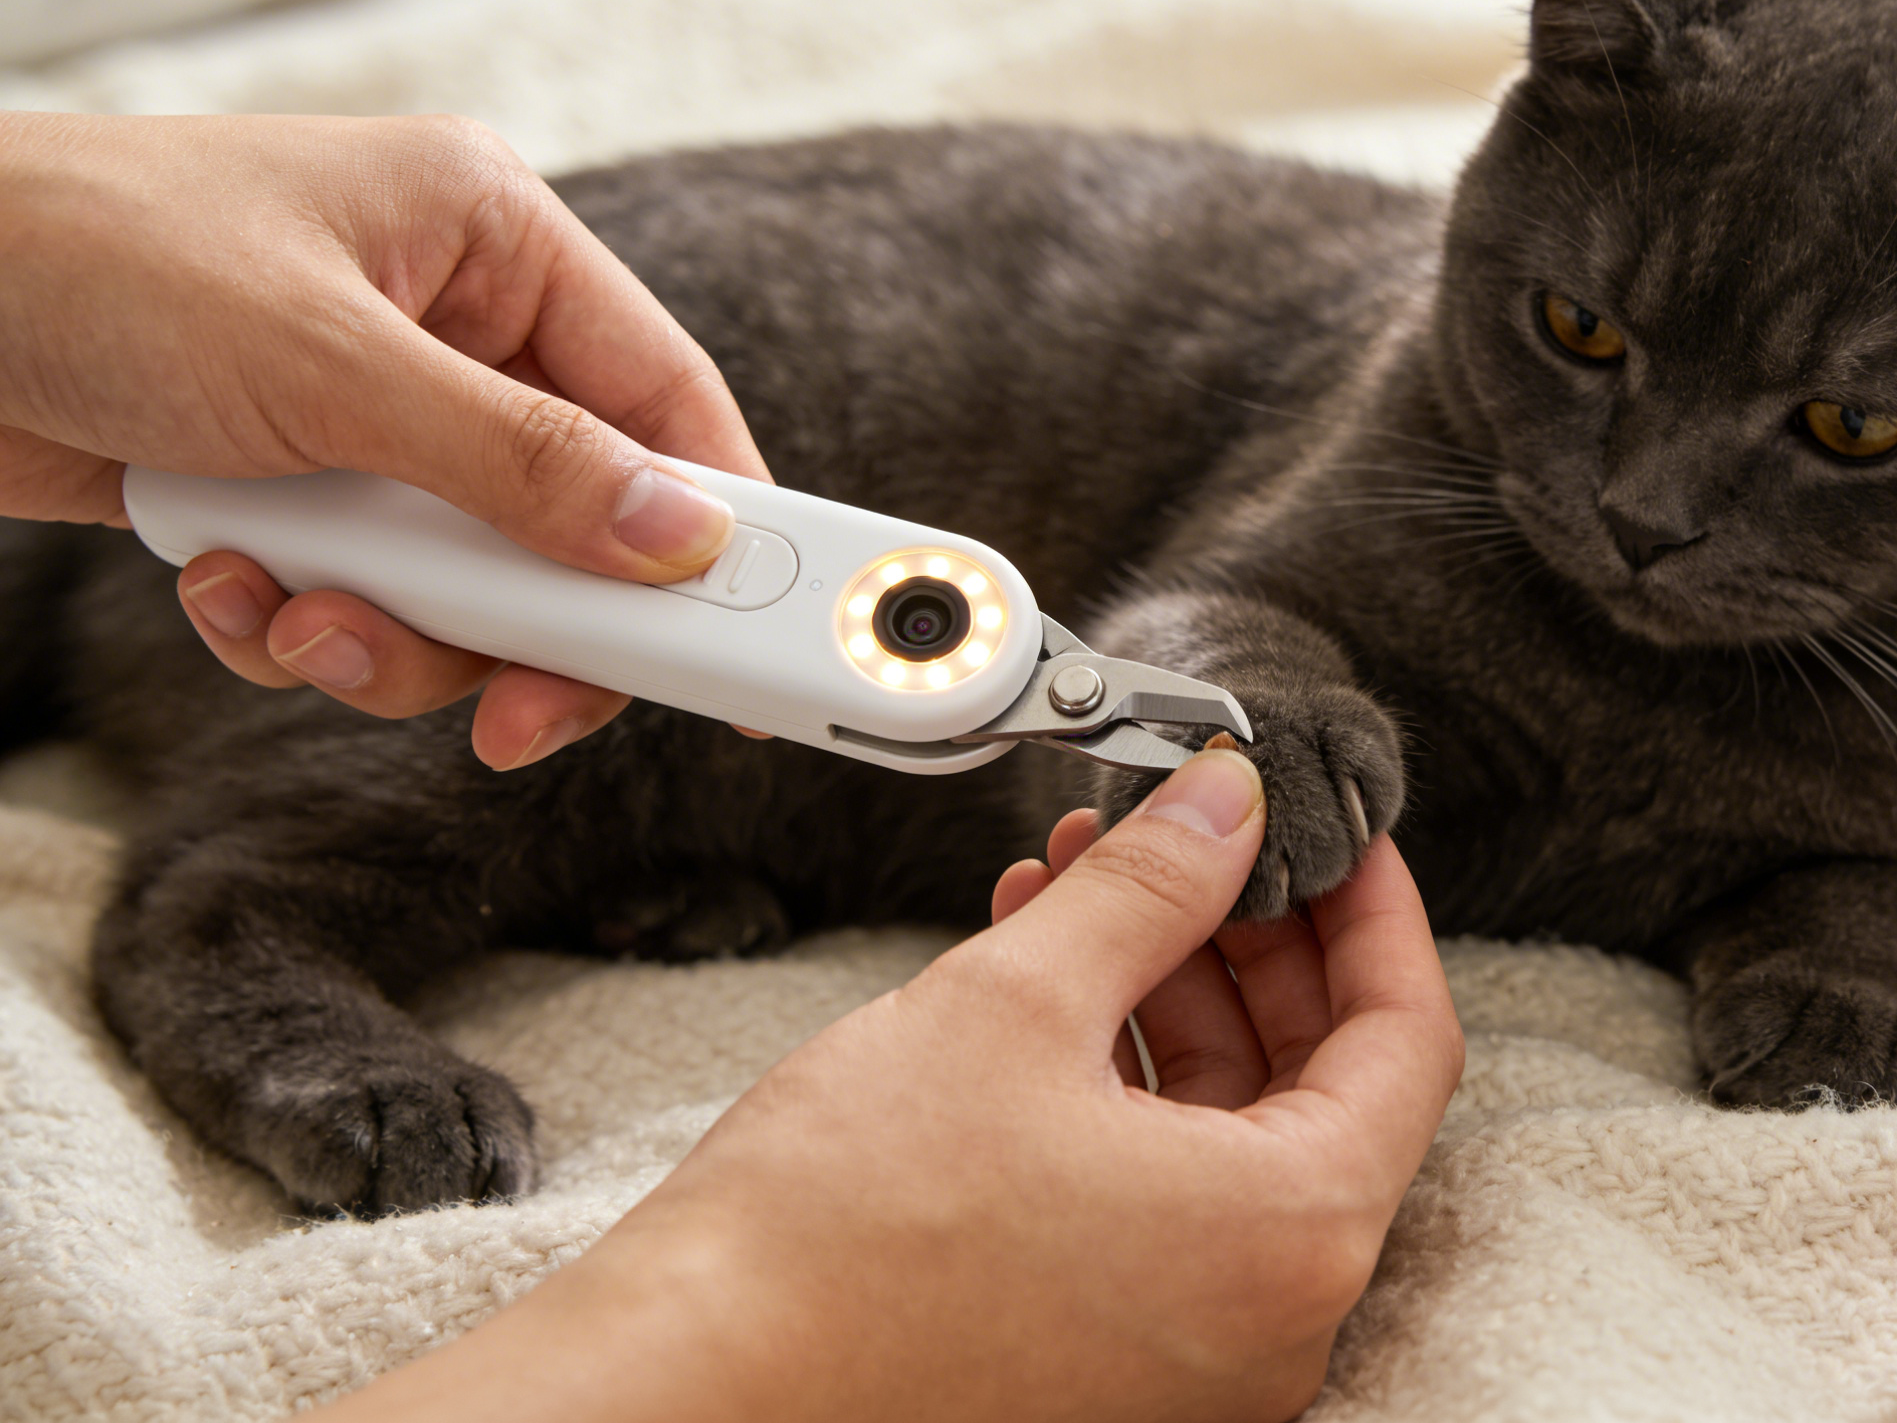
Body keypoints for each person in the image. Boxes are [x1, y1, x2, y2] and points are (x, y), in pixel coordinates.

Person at [0, 110, 1465, 1422]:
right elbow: (1207, 608)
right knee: (566, 672)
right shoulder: (1422, 415)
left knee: (619, 665)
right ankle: (238, 938)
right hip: (748, 357)